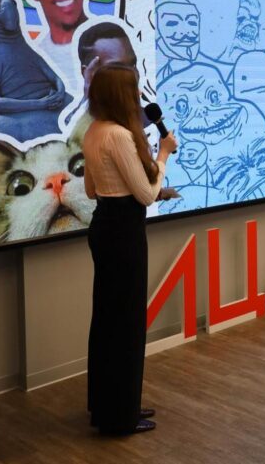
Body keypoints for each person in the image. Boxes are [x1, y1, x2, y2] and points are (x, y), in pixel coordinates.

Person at [82, 65, 178, 435]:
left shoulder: (94, 131)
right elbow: (146, 194)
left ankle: (109, 407)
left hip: (105, 226)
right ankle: (120, 416)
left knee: (108, 321)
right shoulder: (120, 136)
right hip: (124, 232)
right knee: (127, 324)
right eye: (134, 89)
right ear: (122, 94)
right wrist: (164, 155)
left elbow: (91, 190)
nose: (139, 96)